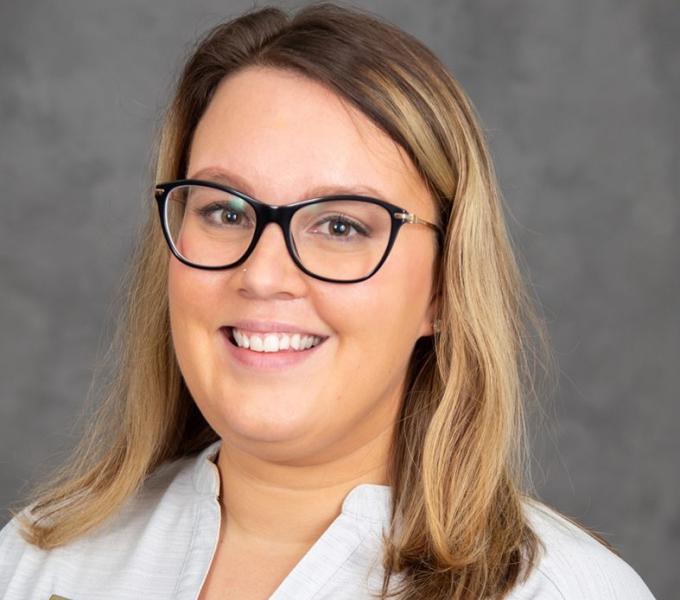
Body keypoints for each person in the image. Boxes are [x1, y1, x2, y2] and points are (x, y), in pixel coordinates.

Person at [0, 3, 657, 600]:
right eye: (225, 211)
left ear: (443, 289)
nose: (262, 275)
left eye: (342, 225)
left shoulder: (564, 592)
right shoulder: (38, 560)